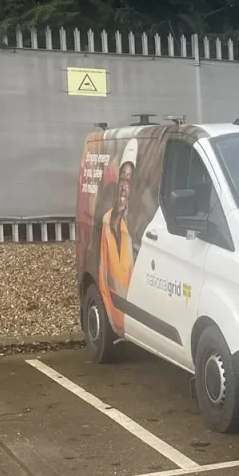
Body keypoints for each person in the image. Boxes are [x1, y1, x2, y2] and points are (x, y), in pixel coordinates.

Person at [98, 138, 138, 335]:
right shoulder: (107, 220)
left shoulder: (134, 227)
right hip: (116, 313)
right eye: (123, 178)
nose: (124, 186)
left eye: (129, 181)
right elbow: (102, 275)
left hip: (130, 314)